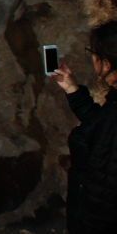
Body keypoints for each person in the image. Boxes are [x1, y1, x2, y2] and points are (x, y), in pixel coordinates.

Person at [51, 21, 117, 234]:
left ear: (106, 64)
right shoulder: (114, 104)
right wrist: (73, 89)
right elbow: (102, 127)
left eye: (92, 53)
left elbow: (104, 188)